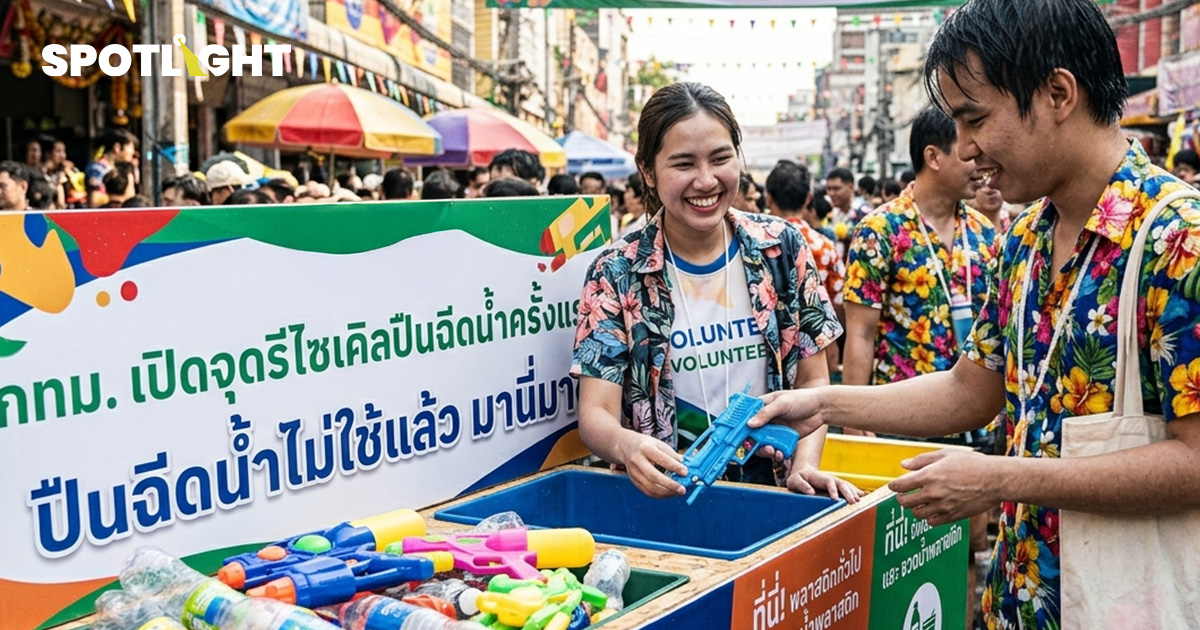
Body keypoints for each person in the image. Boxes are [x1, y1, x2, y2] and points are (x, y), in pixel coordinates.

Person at [751, 1, 1200, 627]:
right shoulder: (1024, 239)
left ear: (1057, 93)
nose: (966, 149)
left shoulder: (1178, 240)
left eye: (975, 118)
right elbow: (972, 387)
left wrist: (999, 479)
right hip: (1017, 601)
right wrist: (824, 405)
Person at [571, 82, 859, 503]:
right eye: (683, 164)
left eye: (721, 159)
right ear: (648, 172)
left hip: (771, 492)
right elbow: (596, 413)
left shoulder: (782, 249)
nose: (706, 181)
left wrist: (805, 467)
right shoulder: (616, 270)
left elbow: (813, 382)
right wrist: (626, 446)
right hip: (664, 494)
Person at [841, 106, 994, 407]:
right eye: (970, 155)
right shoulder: (880, 231)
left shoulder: (984, 232)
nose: (981, 167)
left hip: (978, 419)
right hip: (904, 418)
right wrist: (853, 417)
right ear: (934, 157)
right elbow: (860, 333)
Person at [765, 160, 846, 377]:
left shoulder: (756, 248)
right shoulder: (825, 247)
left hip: (768, 357)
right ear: (809, 198)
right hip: (821, 353)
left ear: (768, 198)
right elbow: (838, 304)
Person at [85, 129, 137, 207]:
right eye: (130, 147)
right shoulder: (98, 169)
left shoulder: (118, 167)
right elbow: (94, 202)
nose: (133, 152)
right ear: (117, 147)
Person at [824, 168, 868, 257]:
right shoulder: (832, 213)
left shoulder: (863, 213)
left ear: (851, 187)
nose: (831, 193)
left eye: (836, 188)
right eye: (829, 189)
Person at [617, 172, 647, 238]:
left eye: (627, 191)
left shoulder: (643, 227)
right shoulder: (628, 220)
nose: (624, 195)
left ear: (639, 199)